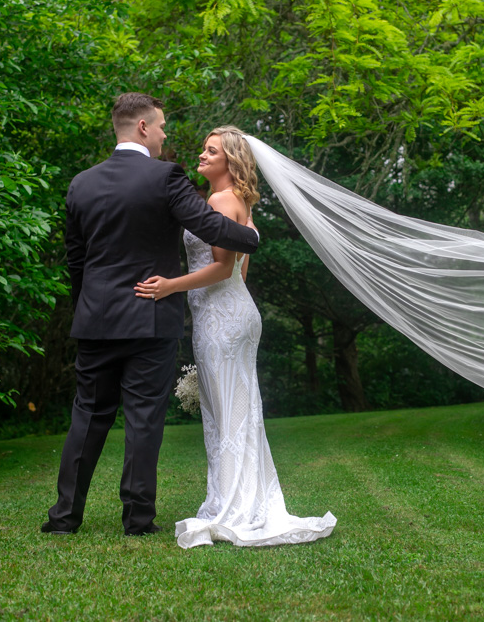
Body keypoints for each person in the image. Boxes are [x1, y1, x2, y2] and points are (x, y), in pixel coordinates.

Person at [42, 95, 259, 537]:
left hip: (96, 319)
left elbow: (76, 261)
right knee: (143, 420)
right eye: (160, 126)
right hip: (151, 317)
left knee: (87, 417)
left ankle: (64, 517)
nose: (164, 134)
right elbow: (210, 226)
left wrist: (89, 307)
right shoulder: (165, 176)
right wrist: (251, 235)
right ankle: (137, 519)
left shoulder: (80, 184)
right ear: (143, 127)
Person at [134, 126, 337, 548]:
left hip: (222, 319)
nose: (202, 157)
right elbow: (241, 273)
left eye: (211, 152)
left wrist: (170, 286)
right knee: (238, 411)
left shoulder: (221, 200)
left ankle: (231, 505)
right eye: (203, 151)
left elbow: (224, 268)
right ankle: (243, 499)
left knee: (227, 413)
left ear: (231, 161)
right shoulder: (239, 201)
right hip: (233, 312)